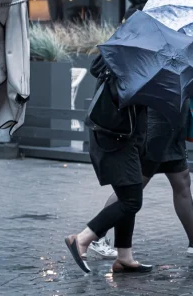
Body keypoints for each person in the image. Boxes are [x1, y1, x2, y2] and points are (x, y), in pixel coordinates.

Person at [89, 100, 193, 259]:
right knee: (132, 188)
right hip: (158, 129)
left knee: (182, 181)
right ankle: (95, 237)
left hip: (173, 130)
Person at [64, 53, 153, 274]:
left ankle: (124, 257)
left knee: (126, 198)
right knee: (132, 201)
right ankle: (82, 239)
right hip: (116, 141)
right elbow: (125, 94)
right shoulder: (126, 60)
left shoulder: (119, 54)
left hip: (118, 139)